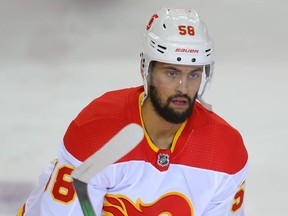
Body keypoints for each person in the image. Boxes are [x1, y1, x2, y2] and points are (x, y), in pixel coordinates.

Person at [18, 7, 248, 216]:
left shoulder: (224, 150)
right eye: (171, 73)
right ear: (145, 70)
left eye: (194, 74)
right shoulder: (99, 132)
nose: (183, 88)